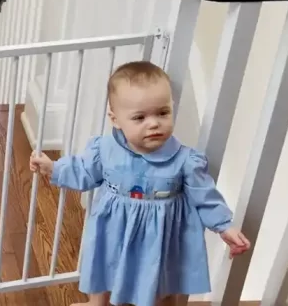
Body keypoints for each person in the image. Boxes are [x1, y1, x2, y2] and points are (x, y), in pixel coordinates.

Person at [29, 61, 251, 306]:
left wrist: (224, 226)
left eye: (163, 113)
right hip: (113, 228)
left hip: (160, 236)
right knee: (102, 266)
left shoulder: (185, 160)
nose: (154, 123)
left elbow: (204, 195)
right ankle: (97, 303)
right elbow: (83, 171)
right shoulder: (104, 150)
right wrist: (53, 167)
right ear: (116, 119)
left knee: (160, 283)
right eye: (140, 117)